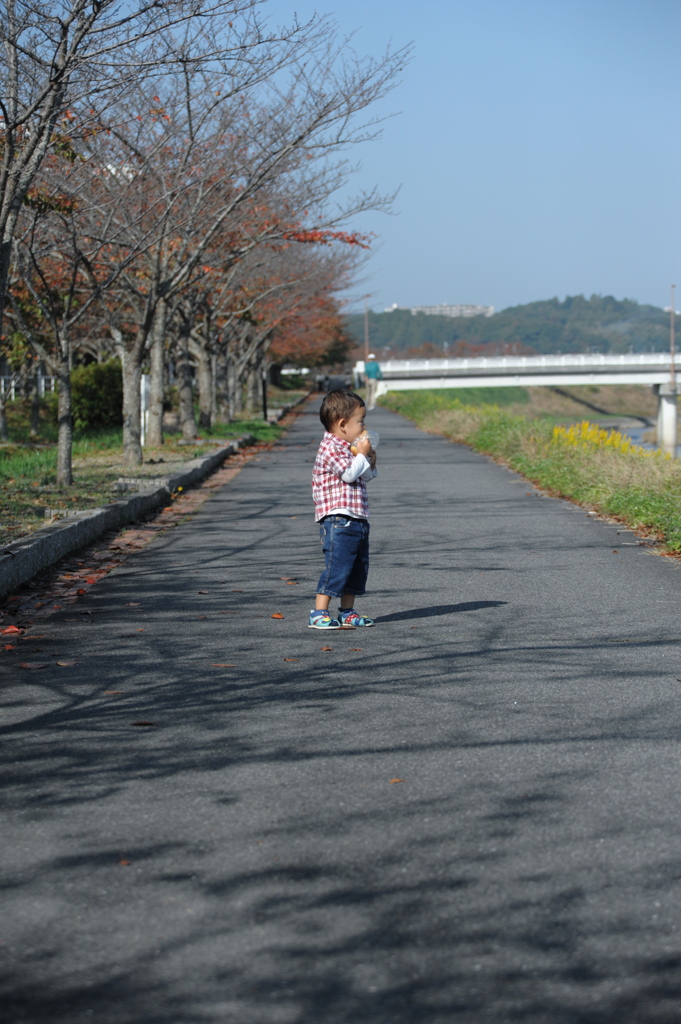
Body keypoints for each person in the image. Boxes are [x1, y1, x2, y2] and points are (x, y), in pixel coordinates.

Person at [310, 389, 378, 629]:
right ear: (342, 424)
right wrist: (361, 455)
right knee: (338, 566)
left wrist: (368, 458)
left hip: (357, 517)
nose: (363, 426)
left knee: (356, 567)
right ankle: (319, 612)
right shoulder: (330, 448)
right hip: (338, 519)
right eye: (360, 421)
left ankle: (347, 611)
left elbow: (365, 476)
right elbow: (349, 475)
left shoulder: (348, 447)